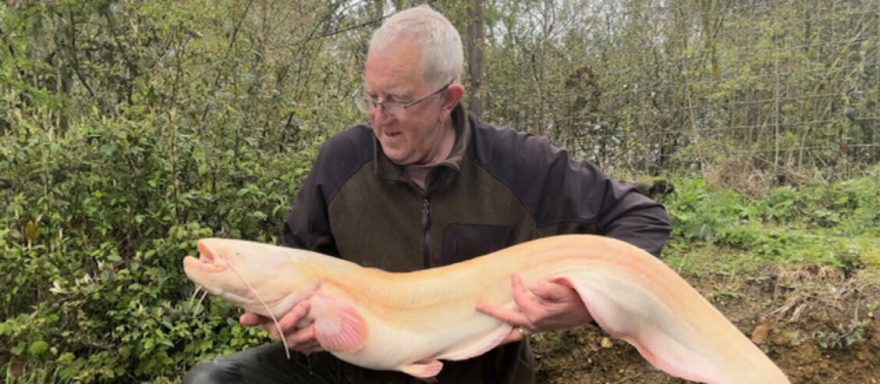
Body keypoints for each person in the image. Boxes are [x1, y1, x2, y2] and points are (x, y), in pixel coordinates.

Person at [184, 5, 670, 384]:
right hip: (358, 371)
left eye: (398, 100)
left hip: (480, 377)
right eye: (372, 97)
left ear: (448, 100)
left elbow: (641, 218)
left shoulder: (520, 165)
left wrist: (584, 304)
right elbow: (299, 264)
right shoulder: (341, 161)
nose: (380, 117)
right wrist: (296, 329)